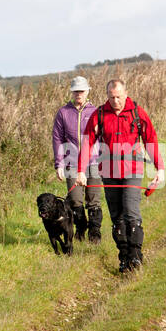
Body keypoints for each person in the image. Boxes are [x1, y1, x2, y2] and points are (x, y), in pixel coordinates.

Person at [77, 77, 163, 273]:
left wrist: (160, 169)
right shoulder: (99, 115)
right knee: (117, 218)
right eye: (111, 97)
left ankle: (135, 255)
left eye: (118, 97)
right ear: (107, 95)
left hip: (132, 171)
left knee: (131, 213)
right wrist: (81, 170)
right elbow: (87, 144)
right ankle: (123, 257)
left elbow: (151, 140)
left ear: (125, 94)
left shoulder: (136, 113)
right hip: (108, 173)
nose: (115, 101)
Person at [51, 76, 103, 243]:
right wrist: (59, 164)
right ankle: (81, 228)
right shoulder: (63, 113)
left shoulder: (96, 112)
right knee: (75, 200)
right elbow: (57, 138)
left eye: (81, 90)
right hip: (71, 162)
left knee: (94, 199)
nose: (78, 93)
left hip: (94, 162)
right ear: (72, 92)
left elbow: (103, 137)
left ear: (88, 91)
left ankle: (95, 234)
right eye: (76, 91)